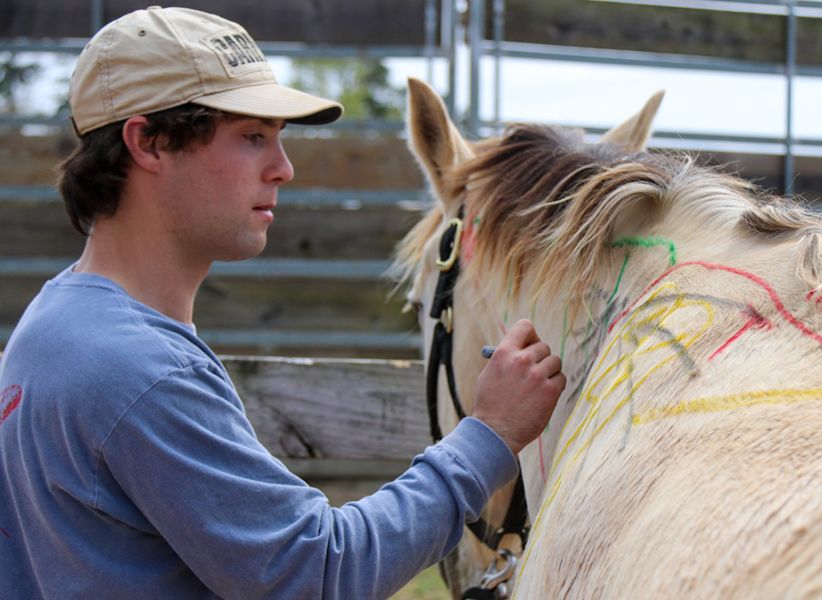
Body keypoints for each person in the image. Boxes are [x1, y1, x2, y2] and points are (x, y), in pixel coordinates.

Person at [0, 7, 566, 599]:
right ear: (148, 142)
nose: (284, 168)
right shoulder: (137, 370)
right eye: (252, 137)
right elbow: (316, 573)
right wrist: (491, 433)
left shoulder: (55, 321)